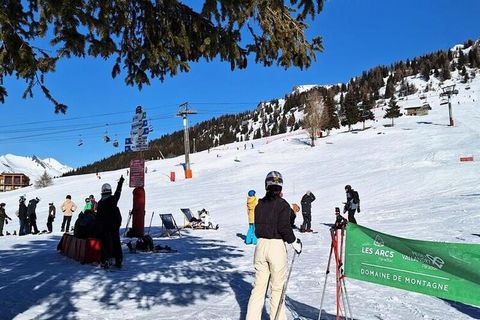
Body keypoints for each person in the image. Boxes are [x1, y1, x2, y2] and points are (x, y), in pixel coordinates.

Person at [246, 171, 302, 320]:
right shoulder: (282, 204)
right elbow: (284, 226)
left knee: (258, 289)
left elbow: (272, 219)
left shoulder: (259, 205)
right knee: (277, 289)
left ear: (267, 185)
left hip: (261, 246)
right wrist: (294, 242)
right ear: (280, 187)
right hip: (276, 246)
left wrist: (290, 213)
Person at [97, 175, 125, 269]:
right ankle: (119, 260)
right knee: (116, 242)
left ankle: (104, 260)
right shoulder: (113, 200)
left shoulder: (100, 203)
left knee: (105, 243)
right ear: (110, 190)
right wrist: (120, 183)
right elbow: (118, 192)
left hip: (104, 226)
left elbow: (98, 216)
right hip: (114, 225)